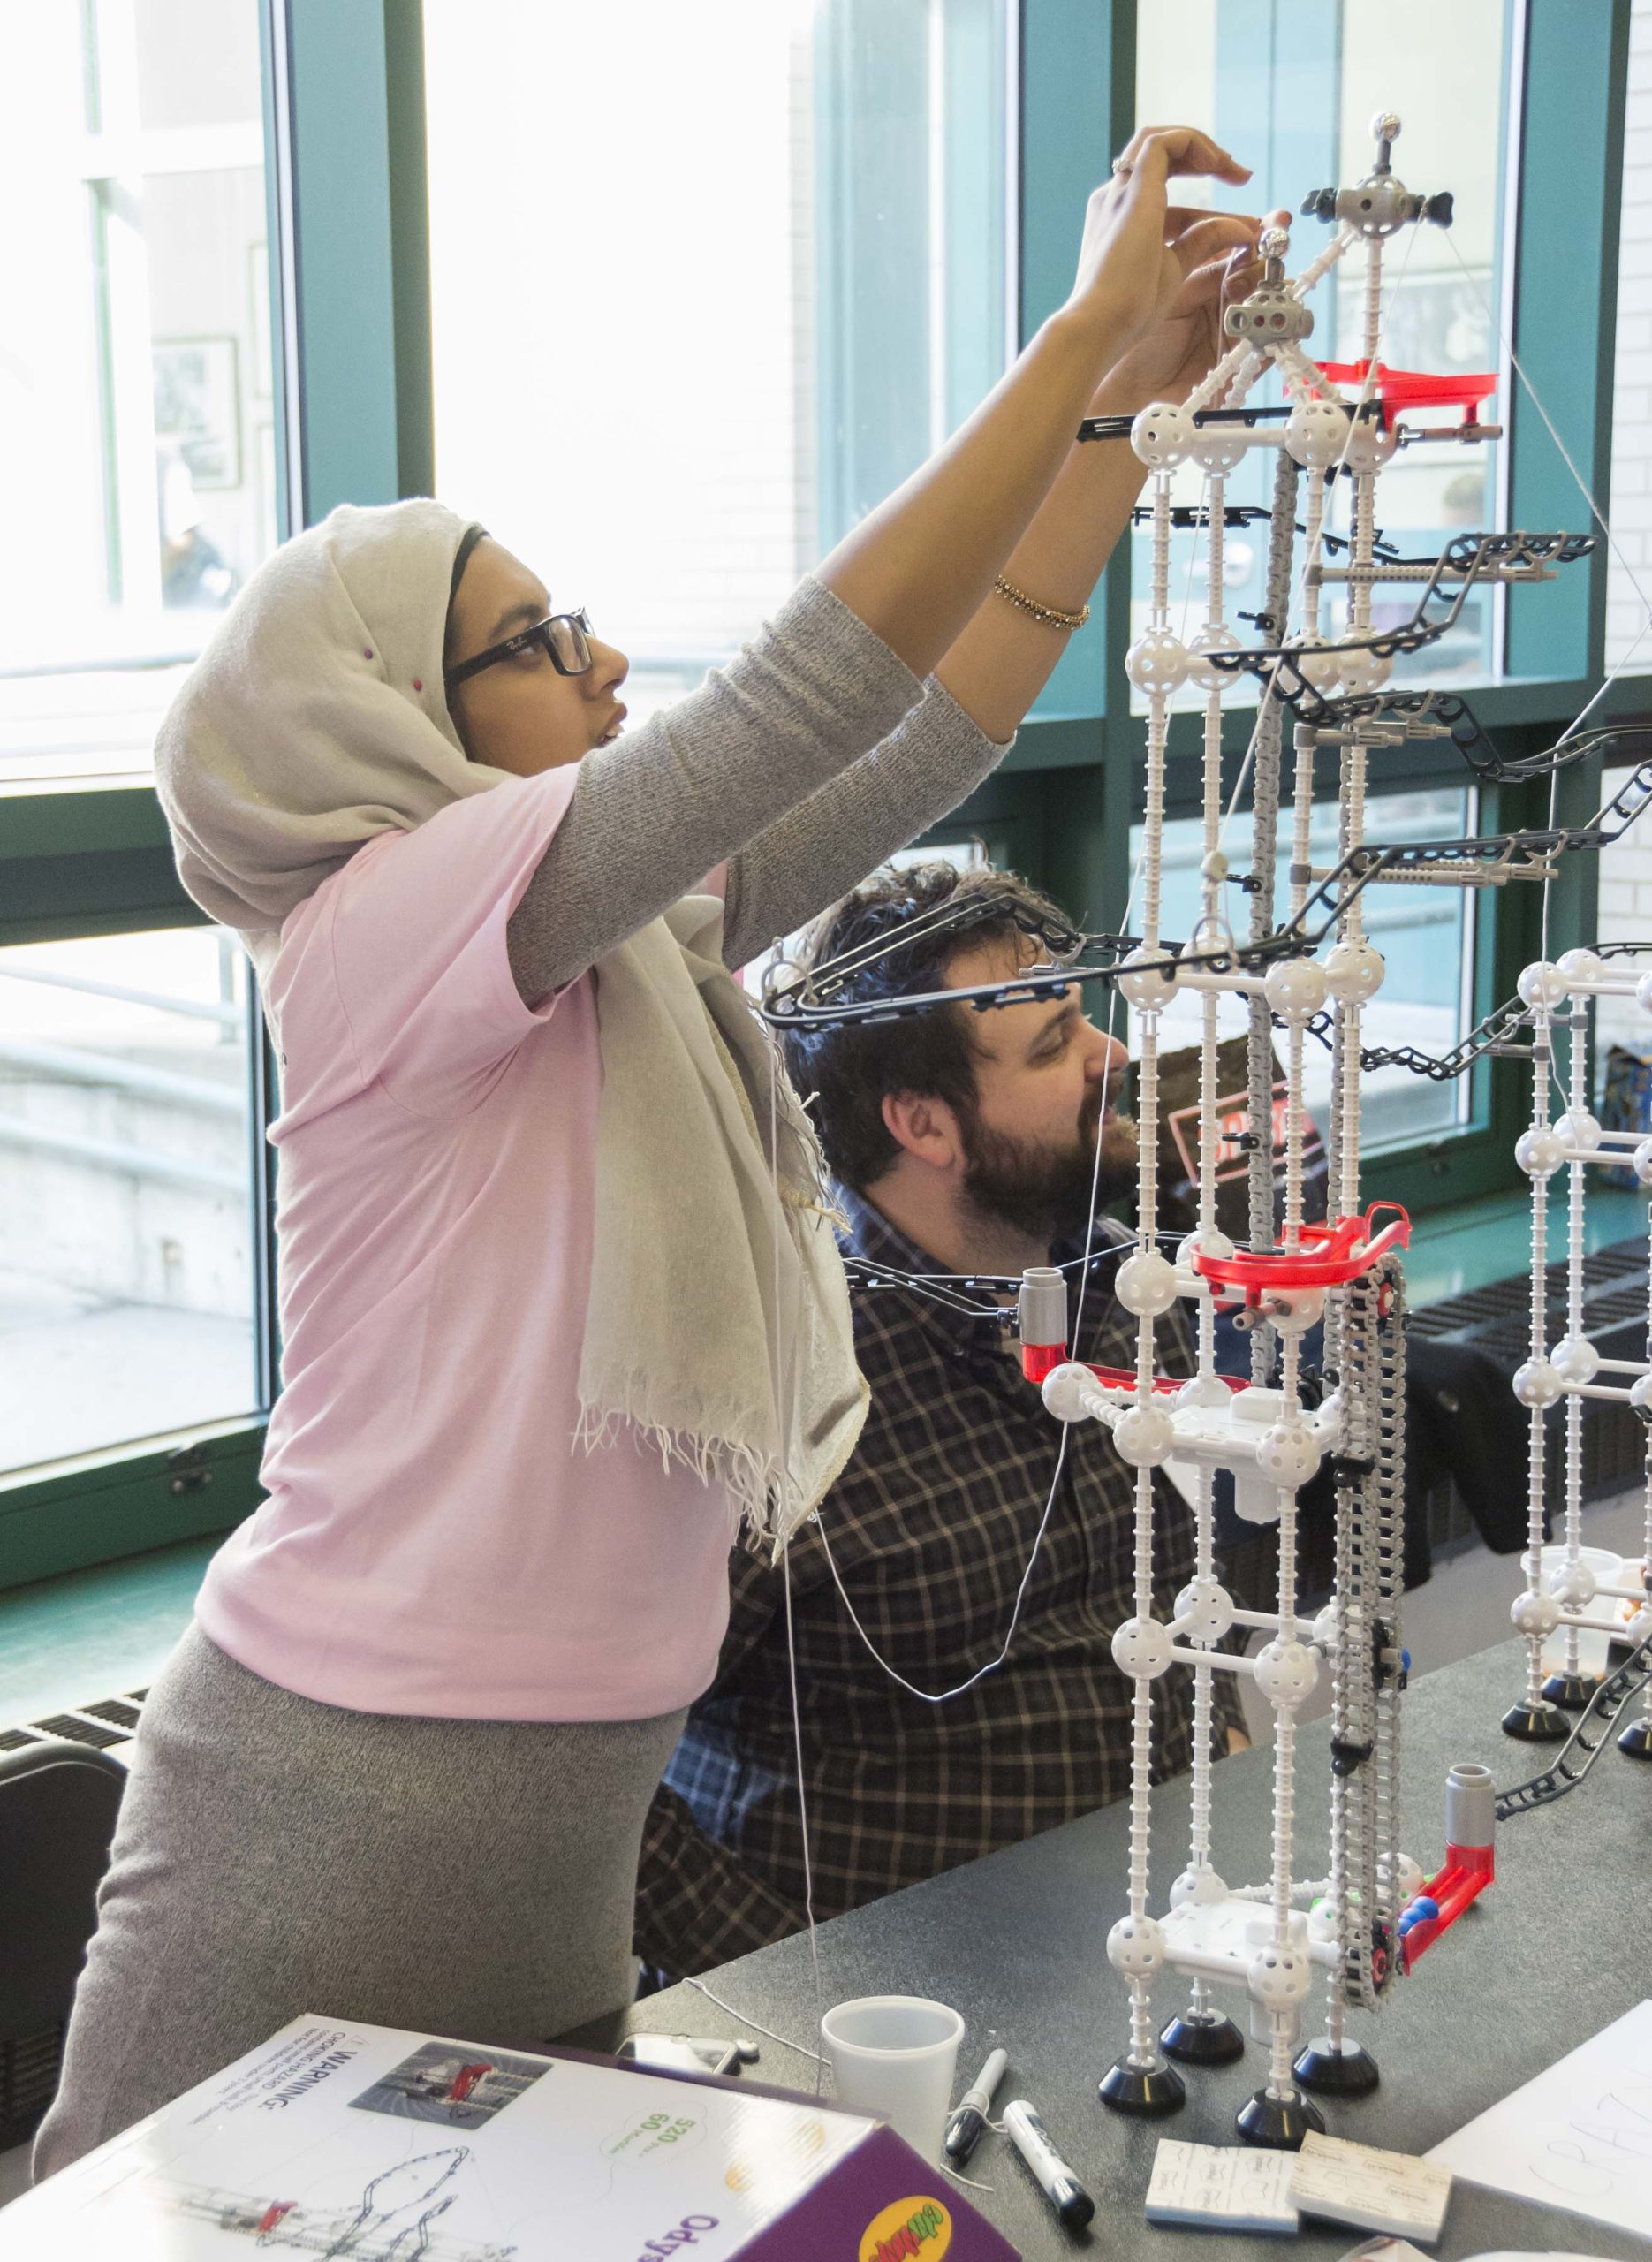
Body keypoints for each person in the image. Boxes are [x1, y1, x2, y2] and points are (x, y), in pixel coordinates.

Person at [35, 125, 1262, 2175]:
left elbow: (925, 733)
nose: (605, 664)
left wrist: (1121, 426)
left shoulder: (632, 943)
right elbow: (797, 696)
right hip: (329, 1799)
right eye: (538, 640)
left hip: (558, 1811)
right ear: (381, 725)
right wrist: (1069, 345)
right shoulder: (384, 922)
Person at [633, 864, 1247, 1980]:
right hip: (911, 2007)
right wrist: (799, 1993)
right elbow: (601, 1783)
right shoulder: (778, 1394)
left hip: (1154, 1934)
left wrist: (1226, 1736)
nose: (1112, 1058)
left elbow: (1165, 1585)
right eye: (1055, 1043)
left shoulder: (1119, 1288)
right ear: (924, 1123)